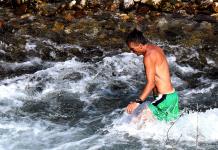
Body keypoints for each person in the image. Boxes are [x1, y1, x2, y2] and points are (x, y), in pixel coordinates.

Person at [125, 29, 180, 122]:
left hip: (164, 98)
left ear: (140, 45)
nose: (132, 52)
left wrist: (137, 102)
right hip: (172, 96)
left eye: (132, 49)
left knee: (136, 125)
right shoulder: (155, 48)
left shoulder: (149, 57)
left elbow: (151, 83)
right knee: (168, 128)